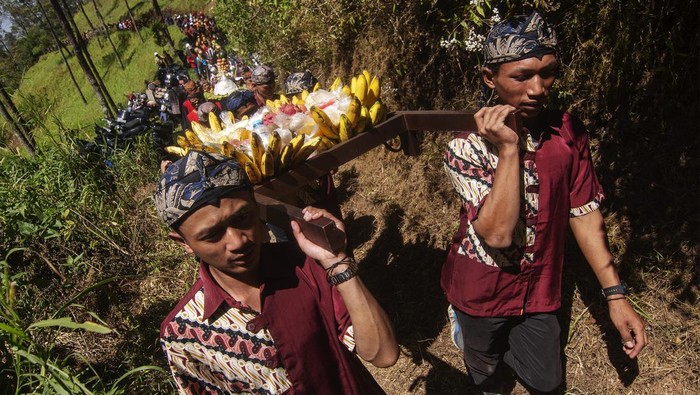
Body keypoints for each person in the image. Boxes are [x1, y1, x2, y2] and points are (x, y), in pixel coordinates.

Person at [441, 11, 647, 394]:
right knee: (486, 375)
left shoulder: (567, 132)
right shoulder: (464, 145)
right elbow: (498, 235)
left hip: (540, 289)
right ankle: (464, 330)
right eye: (521, 76)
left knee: (547, 383)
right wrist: (507, 149)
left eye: (548, 73)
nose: (538, 88)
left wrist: (615, 297)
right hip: (481, 290)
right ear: (491, 78)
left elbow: (584, 214)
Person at [154, 150, 399, 394]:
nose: (237, 241)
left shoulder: (303, 267)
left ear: (253, 202)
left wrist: (337, 260)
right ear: (183, 242)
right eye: (211, 235)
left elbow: (383, 354)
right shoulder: (184, 334)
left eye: (243, 217)